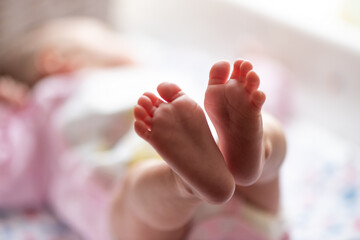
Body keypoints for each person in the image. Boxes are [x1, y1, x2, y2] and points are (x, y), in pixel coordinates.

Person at [0, 17, 287, 240]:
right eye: (109, 38)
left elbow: (243, 100)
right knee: (139, 184)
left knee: (140, 189)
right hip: (252, 216)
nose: (126, 44)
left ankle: (210, 173)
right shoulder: (38, 112)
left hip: (162, 218)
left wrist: (249, 72)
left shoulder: (167, 74)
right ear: (57, 61)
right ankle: (217, 170)